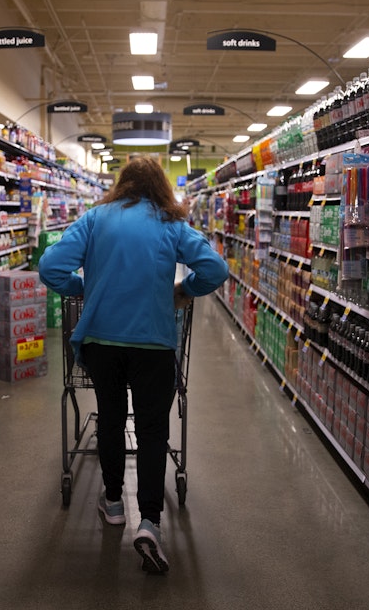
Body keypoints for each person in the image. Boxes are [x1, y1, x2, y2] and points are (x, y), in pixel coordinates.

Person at [38, 156, 228, 574]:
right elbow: (215, 269)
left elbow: (50, 267)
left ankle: (112, 503)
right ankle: (150, 522)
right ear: (160, 186)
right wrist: (184, 288)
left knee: (109, 418)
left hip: (102, 341)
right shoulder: (170, 223)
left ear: (121, 184)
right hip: (153, 344)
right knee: (153, 429)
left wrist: (82, 287)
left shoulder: (95, 218)